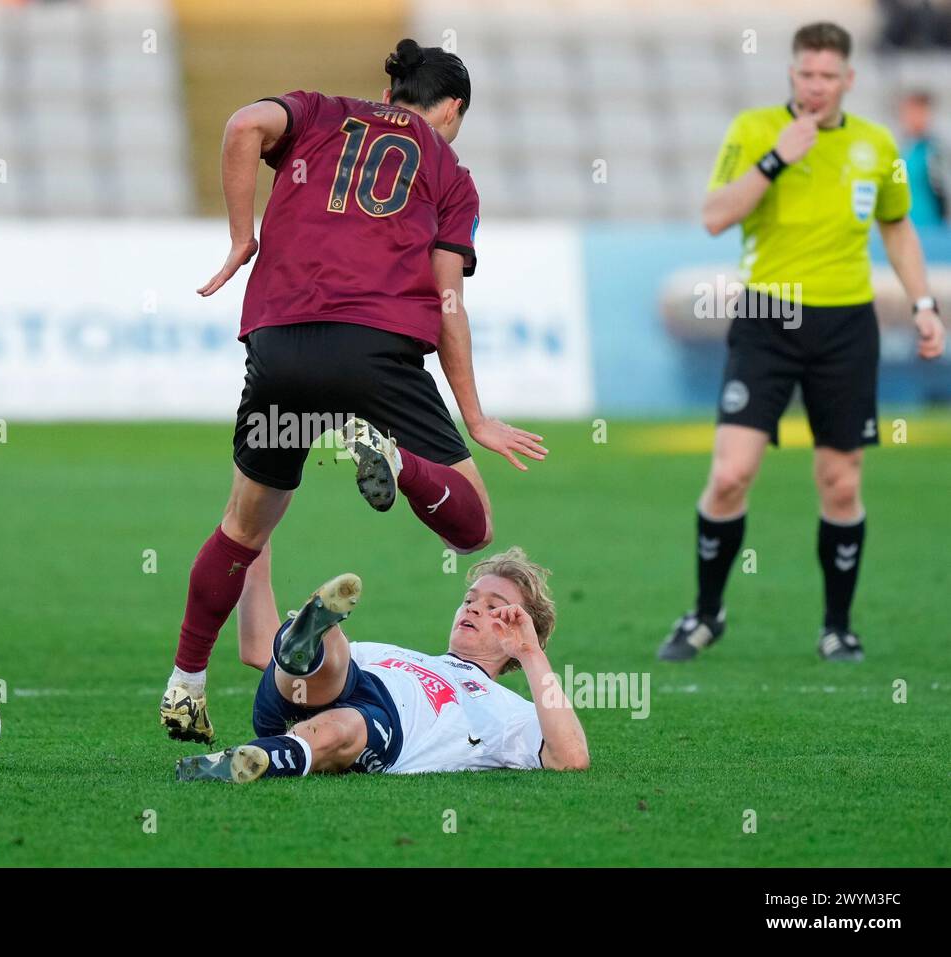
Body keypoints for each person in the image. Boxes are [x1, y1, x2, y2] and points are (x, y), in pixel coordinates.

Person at [162, 38, 547, 744]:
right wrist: (475, 414)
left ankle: (185, 682)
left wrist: (241, 236)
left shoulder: (320, 112)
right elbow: (448, 299)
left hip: (278, 342)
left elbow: (244, 125)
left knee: (243, 529)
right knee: (474, 525)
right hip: (376, 349)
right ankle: (396, 463)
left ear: (393, 89)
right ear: (453, 107)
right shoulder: (449, 171)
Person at [658, 23, 946, 664]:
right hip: (767, 316)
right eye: (804, 75)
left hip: (847, 324)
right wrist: (776, 158)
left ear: (849, 79)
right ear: (792, 76)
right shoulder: (756, 131)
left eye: (827, 76)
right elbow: (714, 216)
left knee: (840, 483)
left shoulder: (876, 146)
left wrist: (923, 304)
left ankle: (837, 627)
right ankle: (706, 615)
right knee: (731, 473)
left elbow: (898, 229)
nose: (815, 86)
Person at [176, 544, 589, 782]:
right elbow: (254, 651)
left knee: (348, 723)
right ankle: (308, 639)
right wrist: (255, 550)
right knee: (335, 650)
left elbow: (570, 758)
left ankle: (248, 759)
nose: (474, 608)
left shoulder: (506, 711)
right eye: (469, 600)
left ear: (523, 630)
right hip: (314, 689)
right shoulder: (391, 654)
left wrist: (533, 655)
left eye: (494, 607)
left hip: (381, 727)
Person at [896, 90, 948, 227]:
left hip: (932, 226)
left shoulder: (935, 150)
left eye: (920, 112)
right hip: (905, 226)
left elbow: (942, 189)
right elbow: (897, 184)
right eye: (910, 112)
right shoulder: (899, 150)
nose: (914, 118)